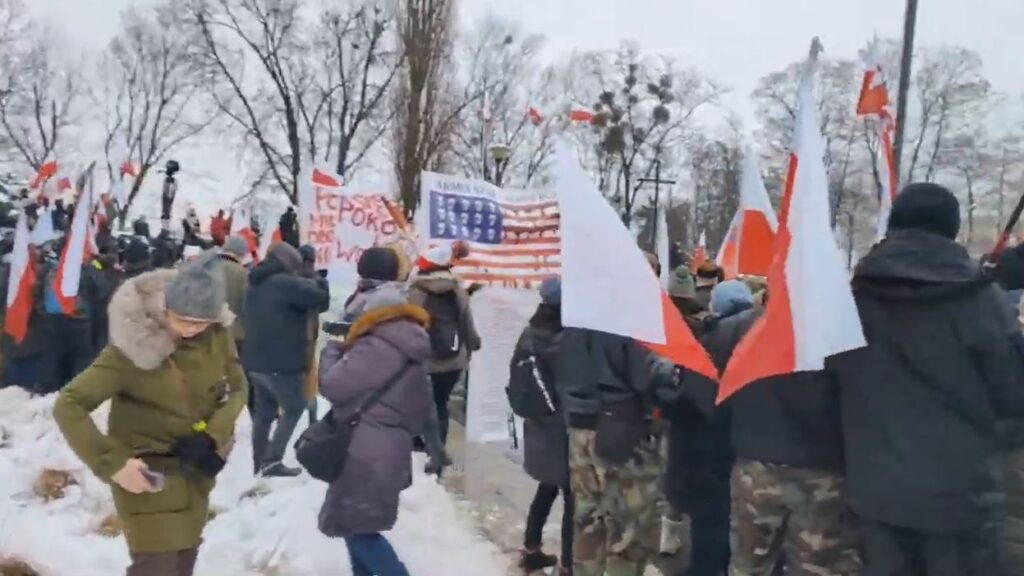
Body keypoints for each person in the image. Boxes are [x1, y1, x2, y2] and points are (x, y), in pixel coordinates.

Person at [829, 183, 1024, 575]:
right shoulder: (983, 301)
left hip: (874, 490)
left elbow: (832, 382)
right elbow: (1014, 396)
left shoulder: (850, 300)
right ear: (951, 230)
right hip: (960, 495)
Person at [52, 252, 247, 576]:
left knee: (184, 562)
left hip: (196, 473)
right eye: (182, 319)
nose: (191, 329)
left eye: (201, 322)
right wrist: (113, 464)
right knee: (157, 568)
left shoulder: (216, 335)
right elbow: (68, 404)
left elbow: (239, 389)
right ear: (164, 307)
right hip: (147, 475)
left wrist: (212, 436)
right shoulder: (132, 348)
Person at [317, 279, 434, 576]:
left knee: (359, 531)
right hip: (390, 450)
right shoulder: (415, 348)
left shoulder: (374, 346)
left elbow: (332, 386)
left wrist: (332, 350)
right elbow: (421, 411)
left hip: (362, 452)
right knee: (357, 524)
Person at [559, 313, 660, 574]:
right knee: (629, 524)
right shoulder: (626, 321)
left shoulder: (575, 319)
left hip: (579, 425)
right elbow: (642, 378)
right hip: (620, 427)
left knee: (588, 517)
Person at [244, 242, 329, 477]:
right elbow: (318, 297)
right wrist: (318, 279)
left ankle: (259, 460)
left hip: (256, 360)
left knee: (264, 413)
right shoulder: (284, 283)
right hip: (281, 361)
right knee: (294, 408)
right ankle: (272, 461)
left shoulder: (254, 281)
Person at [514, 278, 573, 575]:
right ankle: (568, 564)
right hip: (565, 423)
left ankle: (531, 548)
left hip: (539, 418)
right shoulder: (568, 336)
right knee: (572, 494)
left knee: (548, 485)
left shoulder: (531, 330)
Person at [407, 244, 481, 446]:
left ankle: (420, 450)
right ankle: (438, 454)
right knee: (441, 405)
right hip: (453, 362)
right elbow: (468, 325)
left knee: (419, 405)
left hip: (424, 362)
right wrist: (473, 346)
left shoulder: (414, 292)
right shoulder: (459, 292)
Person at [37, 243, 105, 394]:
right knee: (80, 359)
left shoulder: (50, 269)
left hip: (52, 319)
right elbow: (100, 291)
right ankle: (77, 392)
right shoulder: (84, 270)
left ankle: (47, 391)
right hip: (78, 320)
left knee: (52, 358)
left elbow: (38, 291)